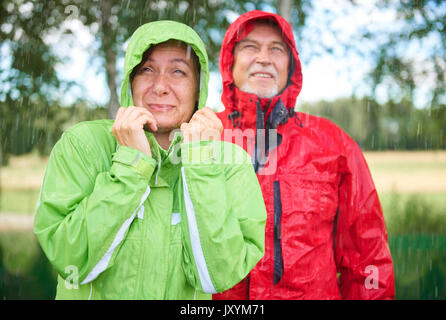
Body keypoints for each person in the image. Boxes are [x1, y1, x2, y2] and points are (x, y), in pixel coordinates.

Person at [33, 20, 267, 300]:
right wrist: (132, 164)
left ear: (198, 89)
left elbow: (218, 275)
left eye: (178, 71)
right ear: (130, 81)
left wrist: (201, 164)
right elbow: (71, 260)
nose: (160, 86)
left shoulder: (229, 161)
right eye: (147, 69)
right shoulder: (82, 145)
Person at [213, 10, 395, 300]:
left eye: (276, 49)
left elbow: (366, 255)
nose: (263, 57)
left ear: (291, 66)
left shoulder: (333, 145)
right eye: (250, 47)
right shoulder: (203, 137)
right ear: (229, 61)